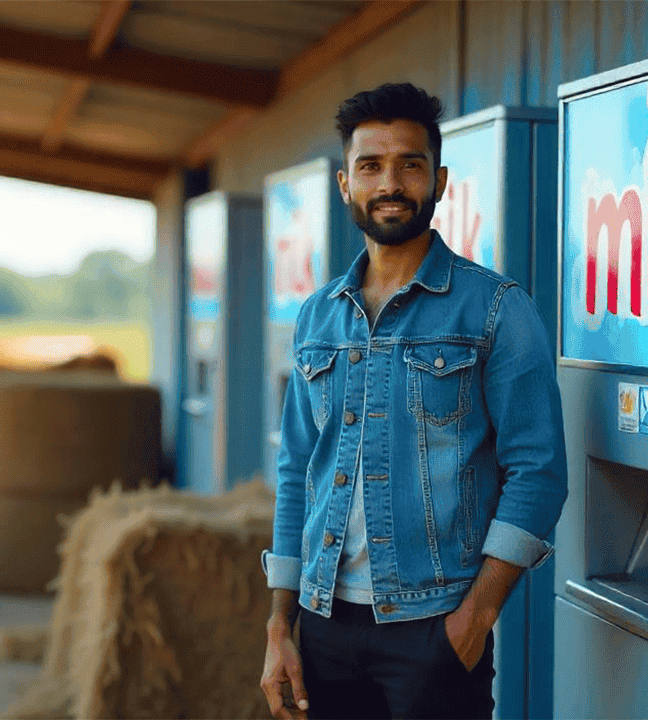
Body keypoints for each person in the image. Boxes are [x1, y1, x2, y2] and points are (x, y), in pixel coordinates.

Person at [259, 83, 568, 720]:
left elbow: (539, 472)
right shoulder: (318, 316)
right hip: (321, 626)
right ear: (345, 184)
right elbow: (297, 474)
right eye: (370, 166)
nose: (390, 183)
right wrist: (278, 626)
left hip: (434, 629)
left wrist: (473, 621)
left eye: (410, 164)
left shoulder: (495, 309)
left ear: (440, 180)